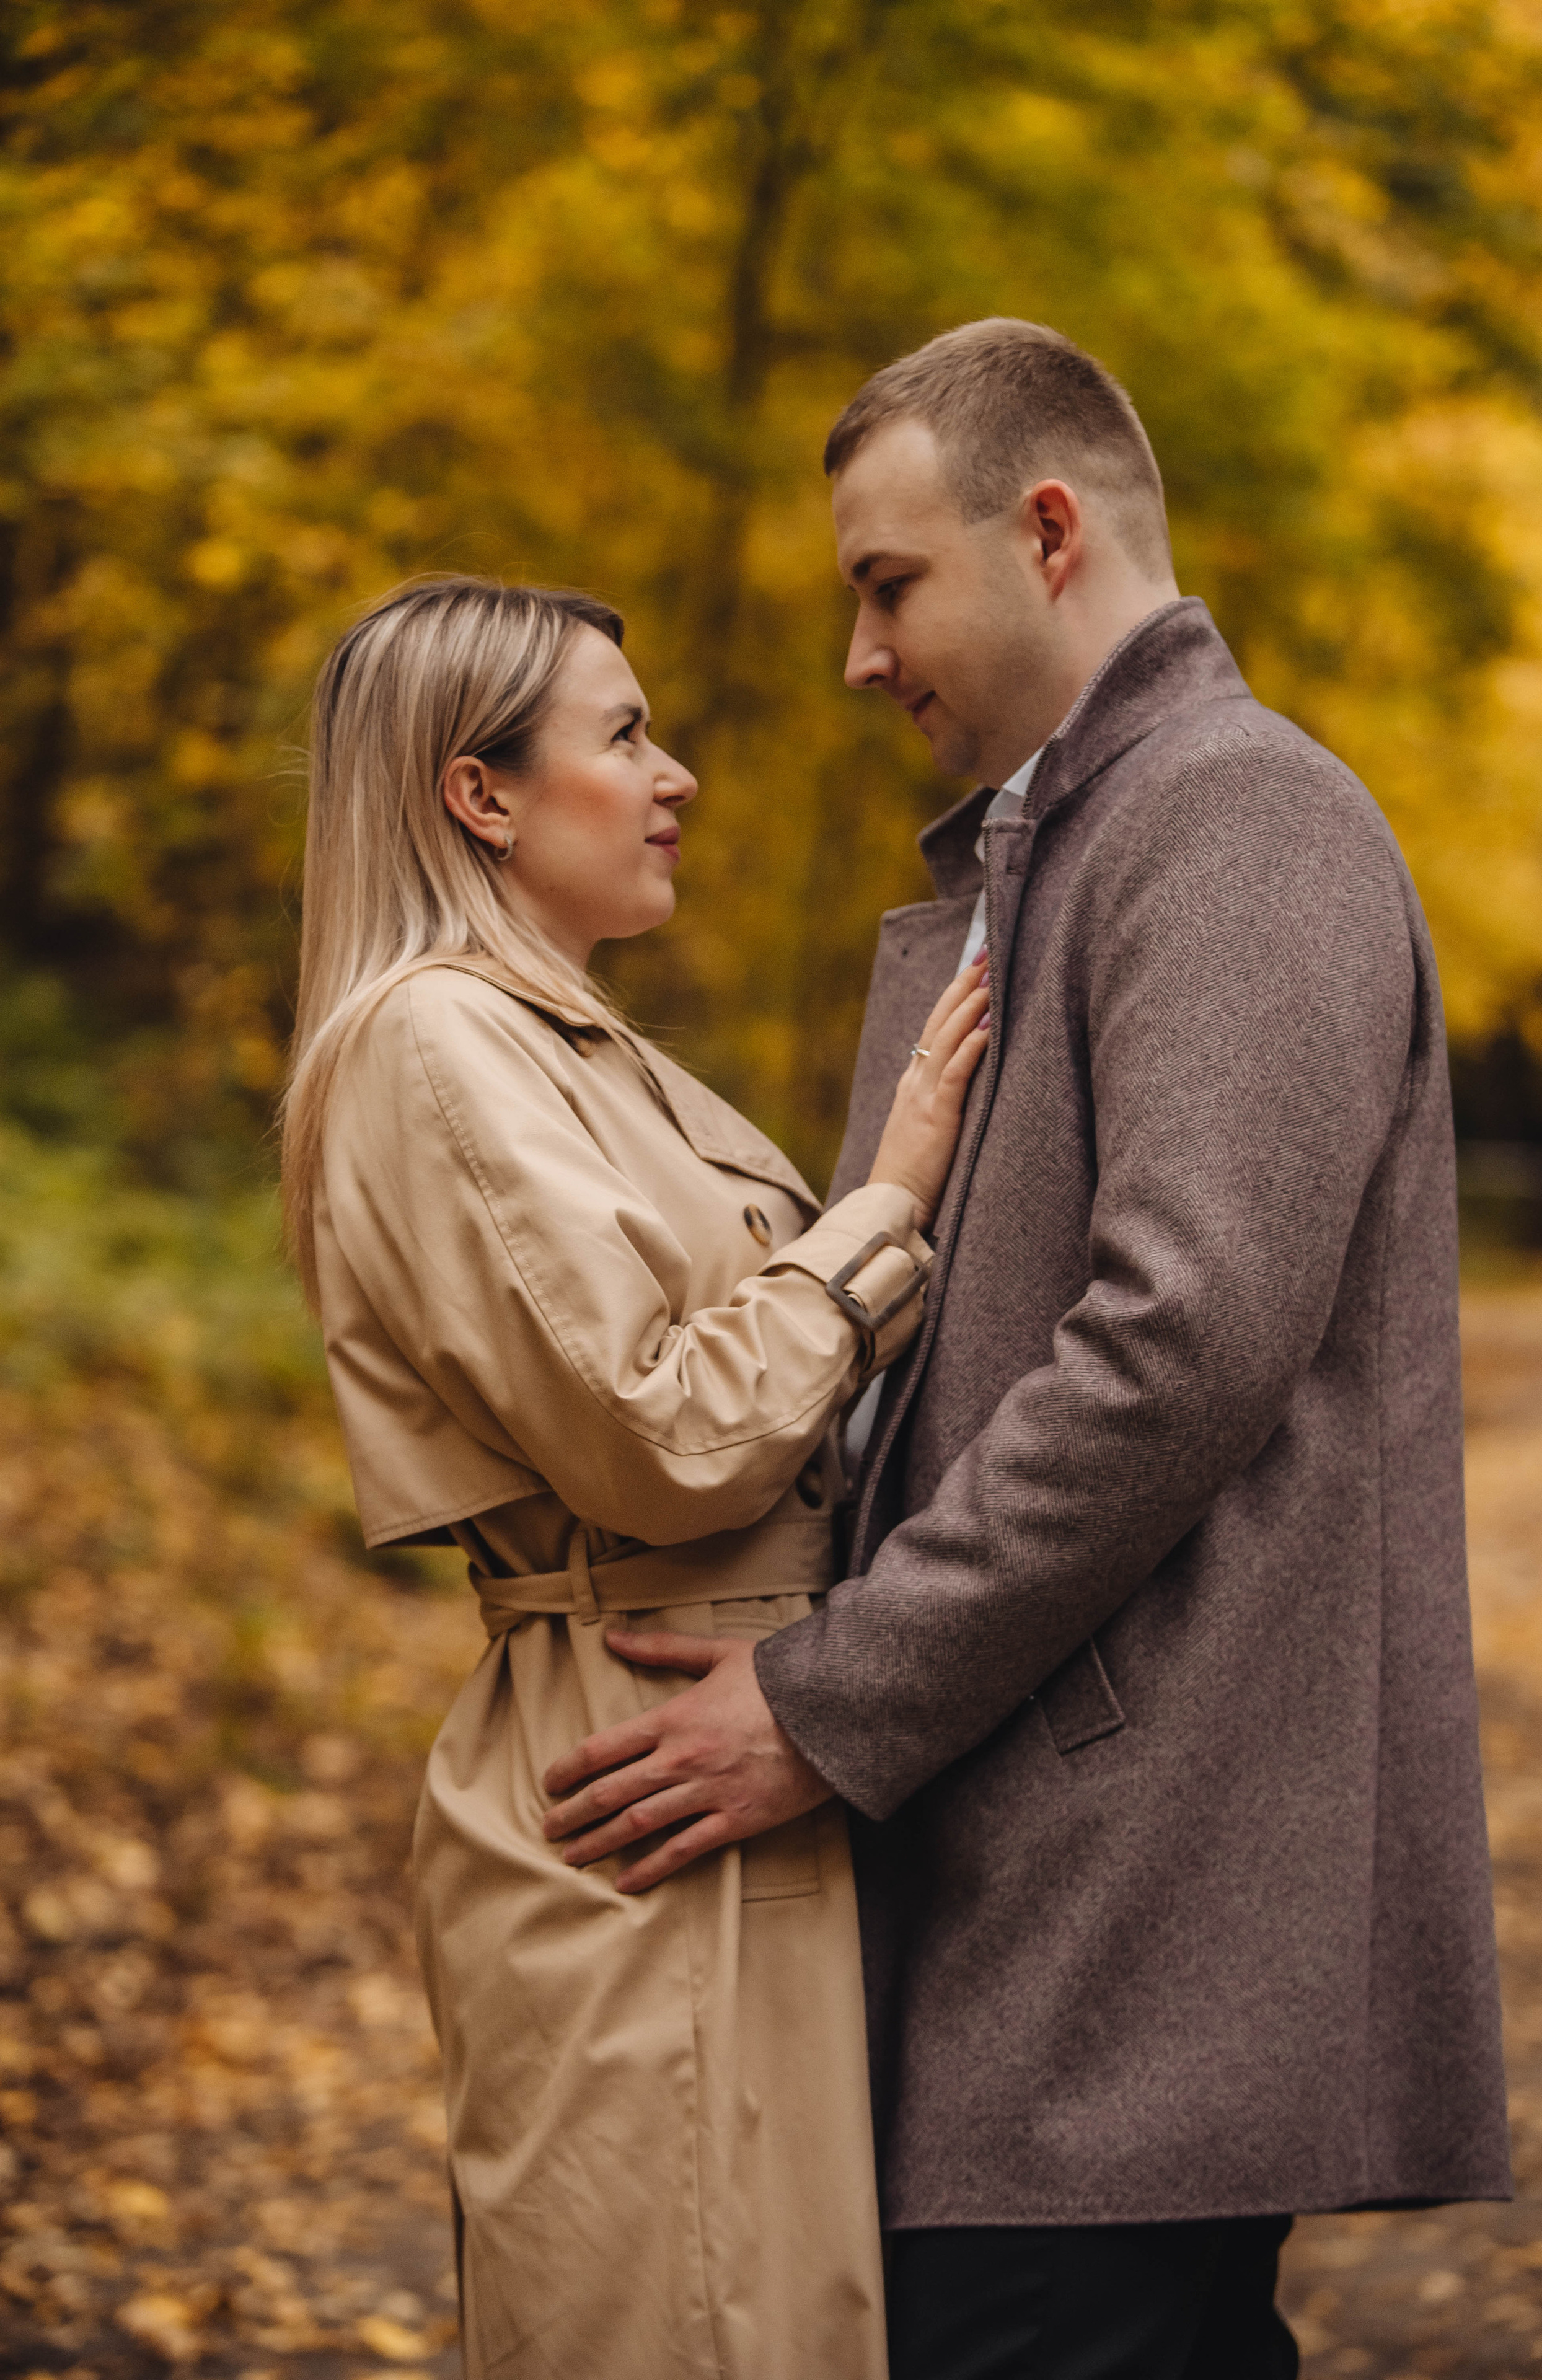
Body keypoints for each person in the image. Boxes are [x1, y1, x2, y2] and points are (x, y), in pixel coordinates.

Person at [540, 320, 1513, 2378]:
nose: (859, 657)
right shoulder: (1072, 838)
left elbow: (1181, 1338)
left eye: (886, 585)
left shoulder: (1242, 820)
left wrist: (827, 1702)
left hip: (1124, 1919)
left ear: (1046, 529)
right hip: (1038, 1901)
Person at [276, 575, 990, 2380]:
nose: (674, 777)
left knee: (778, 2317)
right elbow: (666, 1439)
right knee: (681, 2326)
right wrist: (886, 1203)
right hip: (632, 1757)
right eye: (624, 735)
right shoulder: (434, 1046)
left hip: (718, 1737)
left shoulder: (572, 1050)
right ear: (481, 794)